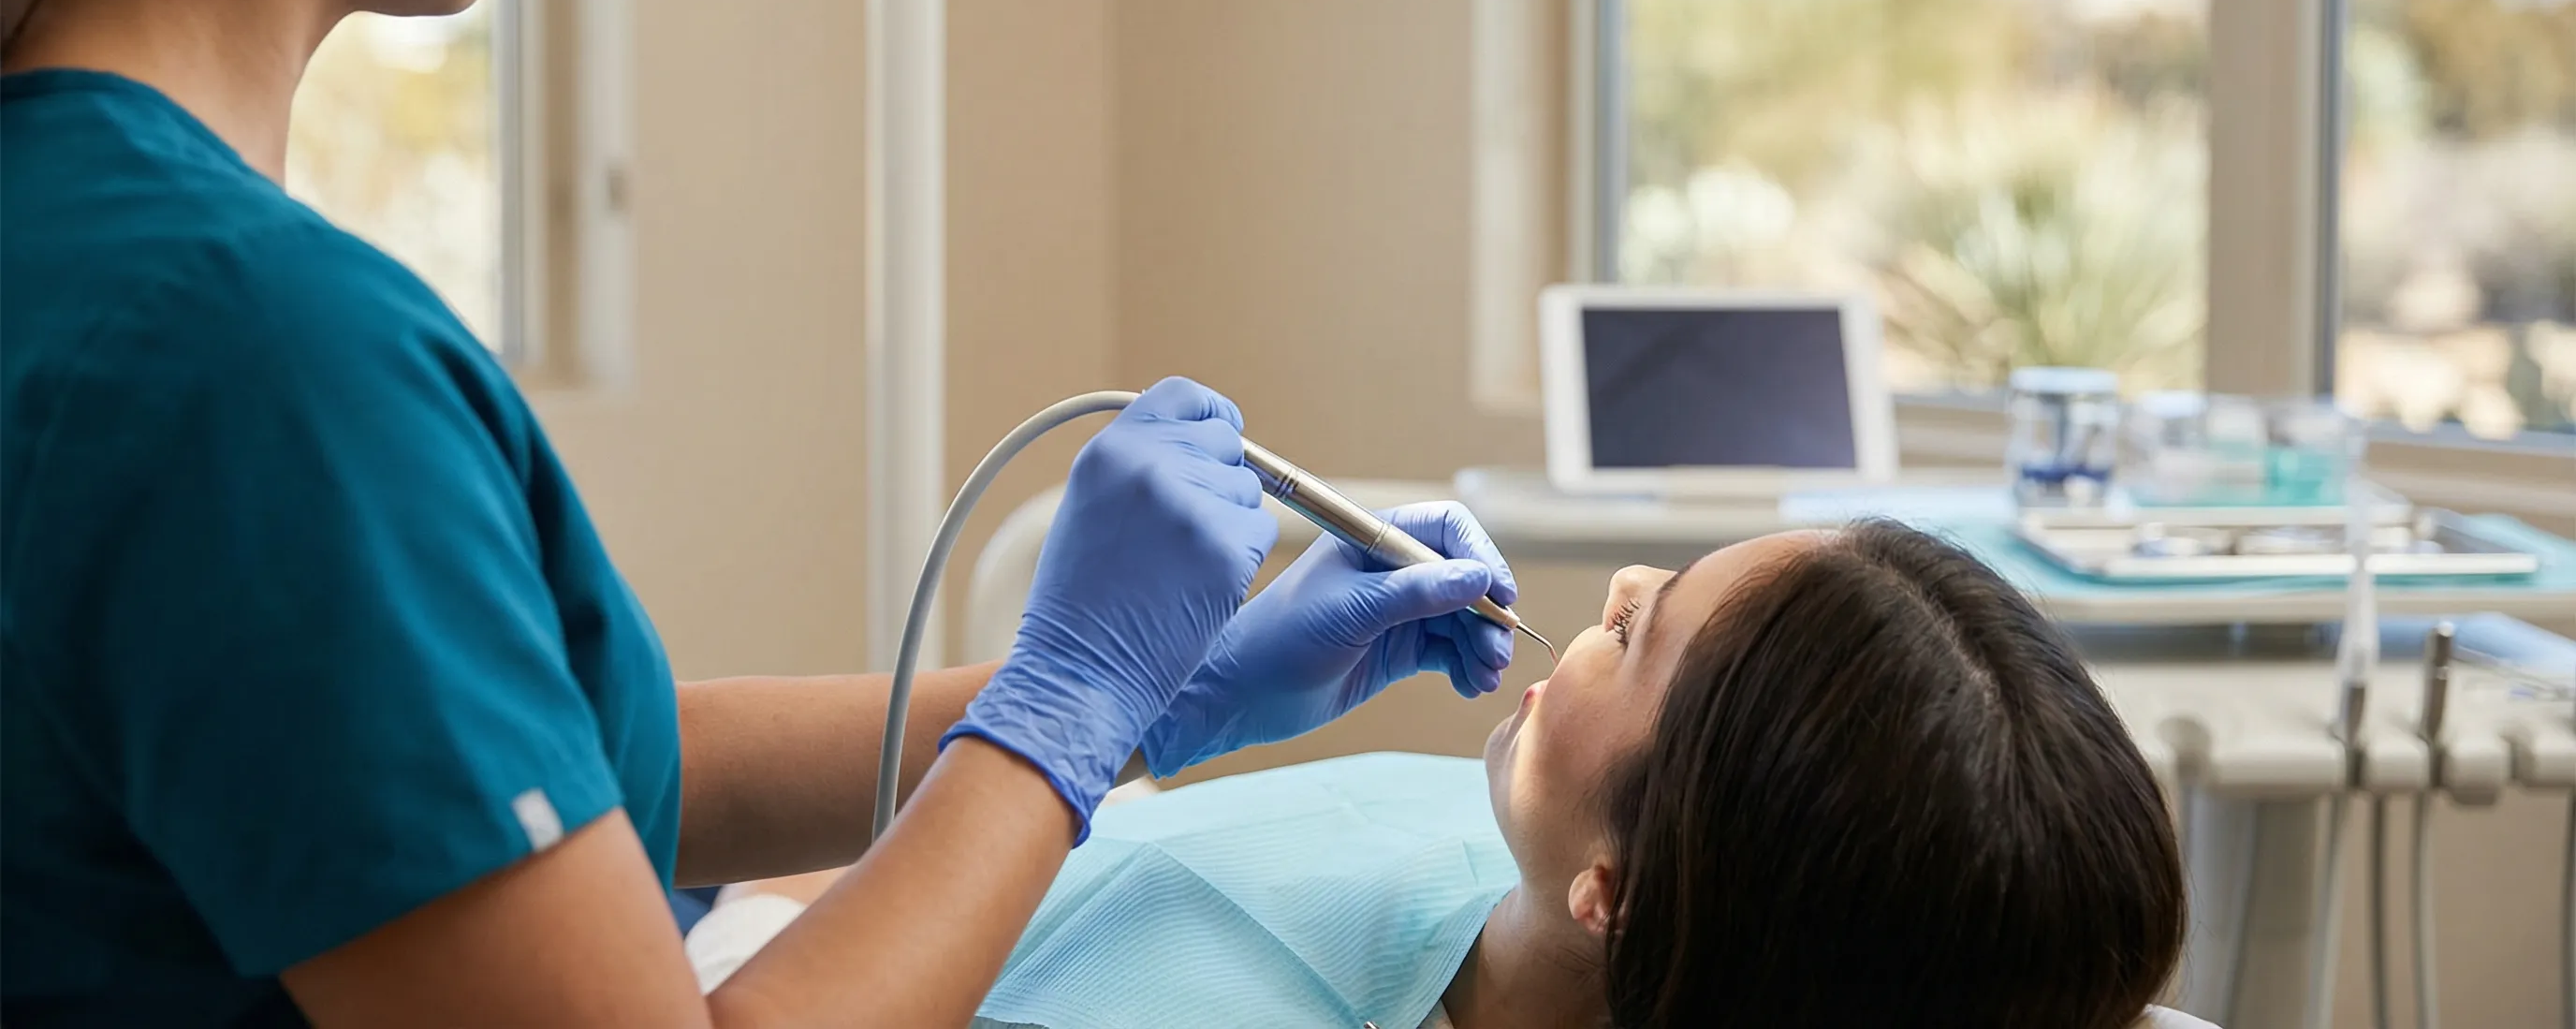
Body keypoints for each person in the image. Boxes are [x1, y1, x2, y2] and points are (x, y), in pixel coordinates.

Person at [0, 0, 1521, 1023]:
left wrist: (1141, 700)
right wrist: (1069, 704)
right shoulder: (253, 356)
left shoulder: (96, 243)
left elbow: (563, 770)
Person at [705, 521, 2197, 1029]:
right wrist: (1145, 714)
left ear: (1617, 892)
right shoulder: (1504, 848)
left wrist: (1094, 704)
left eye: (1642, 630)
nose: (1616, 583)